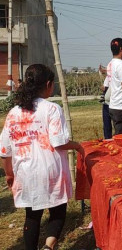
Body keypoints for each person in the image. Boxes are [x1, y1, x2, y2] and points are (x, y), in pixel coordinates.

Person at [0, 64, 84, 250]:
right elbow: (58, 142)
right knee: (58, 211)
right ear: (48, 84)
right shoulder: (52, 109)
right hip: (50, 171)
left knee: (32, 214)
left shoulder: (14, 113)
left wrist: (9, 174)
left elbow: (5, 150)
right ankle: (48, 246)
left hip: (25, 171)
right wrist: (77, 146)